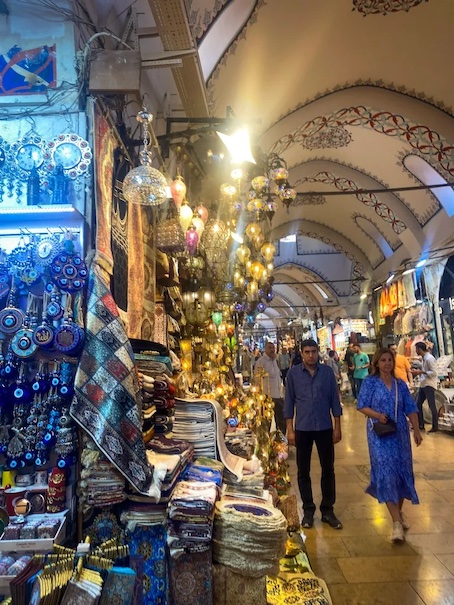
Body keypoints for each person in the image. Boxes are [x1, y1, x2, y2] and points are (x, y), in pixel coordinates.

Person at [357, 348, 422, 542]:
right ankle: (395, 523)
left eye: (390, 360)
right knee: (386, 474)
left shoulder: (399, 385)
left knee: (400, 473)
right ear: (376, 363)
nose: (387, 363)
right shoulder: (370, 383)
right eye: (383, 360)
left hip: (399, 433)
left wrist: (417, 430)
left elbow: (410, 408)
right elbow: (361, 405)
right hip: (379, 434)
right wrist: (377, 415)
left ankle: (397, 514)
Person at [285, 339, 343, 530]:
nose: (311, 355)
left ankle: (327, 510)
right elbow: (289, 403)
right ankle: (308, 510)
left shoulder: (326, 373)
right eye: (307, 352)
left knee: (328, 469)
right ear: (301, 353)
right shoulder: (293, 374)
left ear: (318, 352)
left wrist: (338, 426)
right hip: (303, 427)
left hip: (324, 427)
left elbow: (335, 400)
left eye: (314, 351)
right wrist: (290, 430)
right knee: (303, 471)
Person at [254, 341, 285, 434]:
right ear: (265, 349)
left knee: (282, 419)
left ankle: (280, 440)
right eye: (270, 348)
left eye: (273, 348)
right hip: (268, 396)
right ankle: (267, 441)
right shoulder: (261, 361)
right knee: (267, 421)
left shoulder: (275, 360)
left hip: (278, 395)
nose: (272, 350)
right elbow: (257, 378)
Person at [411, 342, 438, 433]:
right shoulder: (424, 359)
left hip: (429, 385)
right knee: (418, 404)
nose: (415, 351)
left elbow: (434, 372)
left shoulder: (429, 359)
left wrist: (421, 372)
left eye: (416, 349)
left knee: (432, 405)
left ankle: (435, 426)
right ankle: (421, 424)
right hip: (424, 384)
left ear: (419, 349)